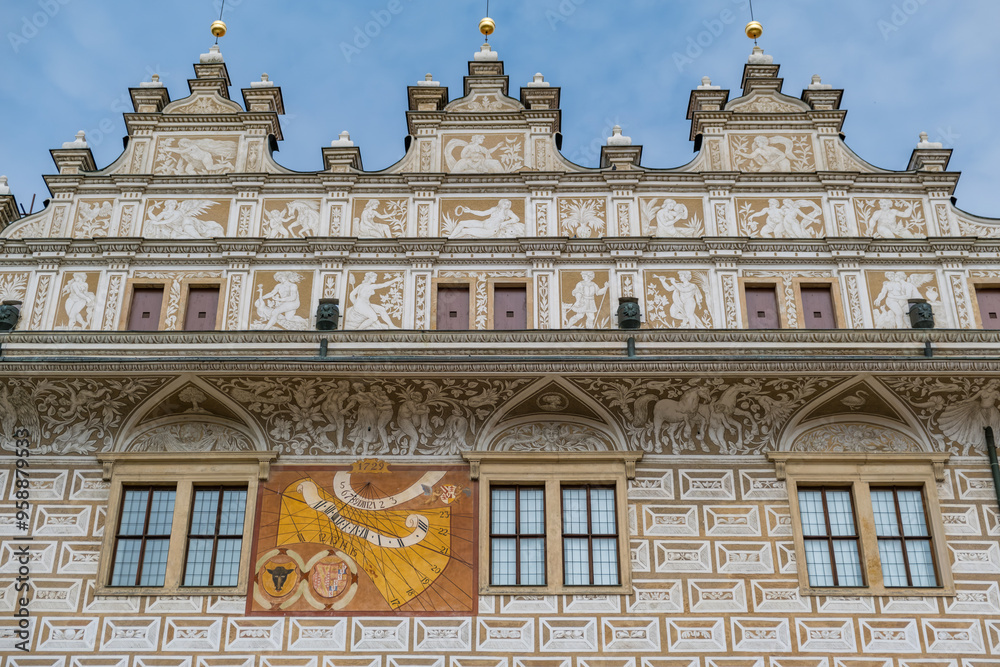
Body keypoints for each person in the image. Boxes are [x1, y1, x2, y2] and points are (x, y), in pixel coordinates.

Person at [449, 199, 523, 239]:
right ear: (501, 203)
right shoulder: (495, 209)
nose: (506, 205)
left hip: (491, 230)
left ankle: (450, 241)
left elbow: (516, 219)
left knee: (465, 231)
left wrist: (505, 223)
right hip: (483, 223)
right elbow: (482, 213)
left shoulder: (508, 212)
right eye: (505, 203)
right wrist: (470, 211)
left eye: (508, 204)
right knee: (461, 223)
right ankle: (450, 238)